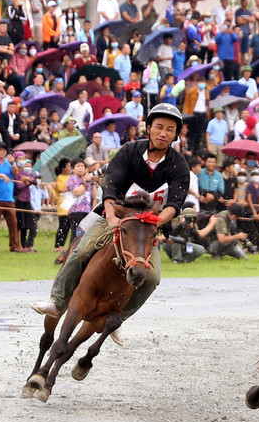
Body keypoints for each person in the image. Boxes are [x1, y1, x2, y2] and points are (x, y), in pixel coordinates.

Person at [31, 103, 190, 346]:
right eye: (158, 127)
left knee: (153, 278)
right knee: (82, 250)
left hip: (148, 227)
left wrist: (154, 222)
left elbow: (175, 203)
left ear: (175, 134)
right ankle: (58, 300)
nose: (163, 133)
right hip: (114, 215)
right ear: (148, 128)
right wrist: (112, 216)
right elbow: (111, 187)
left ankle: (117, 317)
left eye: (170, 129)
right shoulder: (129, 151)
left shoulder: (179, 164)